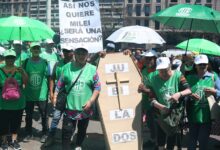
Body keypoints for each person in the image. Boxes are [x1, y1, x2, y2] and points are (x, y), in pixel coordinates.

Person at [53, 47, 101, 150]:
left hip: (85, 108)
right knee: (66, 131)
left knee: (82, 130)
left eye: (84, 53)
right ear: (74, 54)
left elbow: (97, 87)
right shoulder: (66, 67)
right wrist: (55, 96)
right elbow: (59, 84)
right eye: (79, 53)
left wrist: (91, 101)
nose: (81, 56)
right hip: (69, 107)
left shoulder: (92, 69)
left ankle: (78, 144)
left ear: (87, 55)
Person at [147, 57, 191, 150]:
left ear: (170, 66)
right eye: (160, 71)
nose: (163, 73)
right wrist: (160, 106)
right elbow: (150, 98)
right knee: (160, 136)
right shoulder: (152, 77)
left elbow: (188, 90)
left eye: (165, 70)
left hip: (175, 113)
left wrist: (179, 94)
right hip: (160, 112)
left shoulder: (178, 75)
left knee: (172, 136)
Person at [186, 54, 220, 150]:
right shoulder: (189, 78)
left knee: (203, 141)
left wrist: (215, 91)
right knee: (192, 141)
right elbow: (182, 94)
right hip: (192, 115)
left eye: (204, 64)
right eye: (199, 64)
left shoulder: (213, 77)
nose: (202, 66)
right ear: (195, 65)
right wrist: (189, 95)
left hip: (207, 116)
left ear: (208, 64)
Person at [44, 44, 74, 146]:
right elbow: (52, 78)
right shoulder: (58, 64)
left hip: (72, 97)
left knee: (71, 120)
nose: (66, 53)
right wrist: (51, 93)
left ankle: (68, 139)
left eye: (69, 51)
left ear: (73, 52)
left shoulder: (76, 64)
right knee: (56, 117)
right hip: (59, 95)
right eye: (64, 50)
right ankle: (50, 137)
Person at [0, 49, 28, 150]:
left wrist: (23, 72)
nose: (10, 59)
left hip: (18, 103)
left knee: (16, 123)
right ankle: (4, 141)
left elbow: (25, 82)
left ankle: (14, 140)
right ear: (4, 58)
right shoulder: (0, 69)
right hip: (3, 103)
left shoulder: (19, 69)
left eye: (12, 57)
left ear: (15, 58)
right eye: (8, 57)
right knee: (3, 123)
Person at [23, 42, 50, 143]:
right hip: (29, 93)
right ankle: (28, 133)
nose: (35, 50)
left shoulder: (45, 62)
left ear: (40, 50)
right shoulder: (25, 62)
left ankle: (45, 133)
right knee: (29, 115)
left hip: (42, 94)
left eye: (37, 48)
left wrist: (50, 92)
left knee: (44, 114)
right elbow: (23, 78)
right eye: (34, 48)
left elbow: (49, 77)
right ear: (30, 50)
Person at [137, 49, 158, 148]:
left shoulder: (158, 72)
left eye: (151, 59)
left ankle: (158, 143)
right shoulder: (144, 70)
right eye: (147, 58)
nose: (148, 61)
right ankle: (153, 140)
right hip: (146, 103)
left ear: (155, 59)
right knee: (150, 124)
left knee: (156, 125)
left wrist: (146, 90)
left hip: (156, 105)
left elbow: (159, 91)